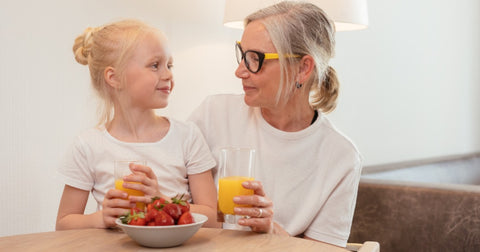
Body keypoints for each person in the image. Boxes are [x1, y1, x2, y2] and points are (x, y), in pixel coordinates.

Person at [189, 1, 362, 247]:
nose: (240, 71)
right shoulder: (213, 114)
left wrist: (272, 229)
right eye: (242, 54)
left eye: (254, 59)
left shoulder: (341, 158)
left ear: (303, 68)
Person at [56, 19, 219, 229]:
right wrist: (100, 218)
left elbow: (214, 219)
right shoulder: (88, 145)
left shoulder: (187, 136)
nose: (168, 74)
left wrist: (160, 200)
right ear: (114, 77)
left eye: (169, 65)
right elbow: (63, 224)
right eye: (155, 65)